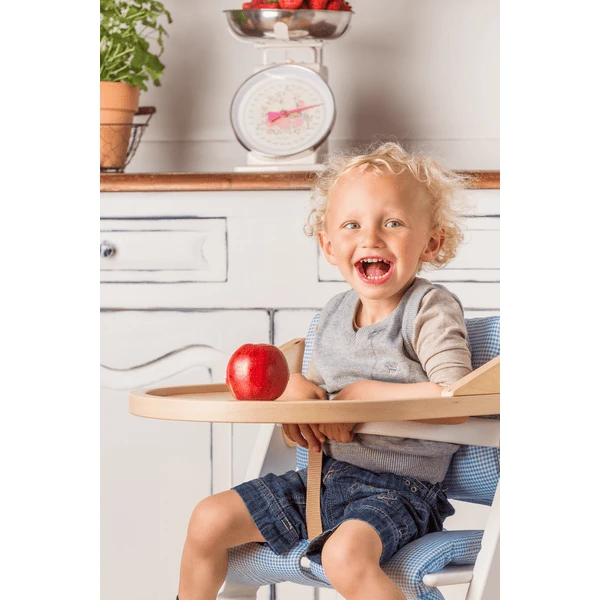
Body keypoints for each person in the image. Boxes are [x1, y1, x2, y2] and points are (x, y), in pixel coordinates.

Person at [177, 142, 473, 600]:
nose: (371, 238)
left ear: (431, 241)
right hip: (321, 481)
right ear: (328, 245)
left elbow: (458, 398)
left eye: (393, 223)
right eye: (352, 225)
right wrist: (295, 392)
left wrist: (365, 396)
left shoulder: (429, 308)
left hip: (402, 493)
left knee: (343, 556)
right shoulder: (334, 313)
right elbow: (318, 400)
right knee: (208, 518)